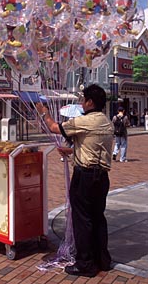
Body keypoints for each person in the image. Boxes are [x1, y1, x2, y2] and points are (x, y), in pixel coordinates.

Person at [36, 84, 114, 277]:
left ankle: (85, 264)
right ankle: (102, 259)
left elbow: (54, 127)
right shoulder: (106, 122)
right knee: (97, 218)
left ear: (90, 102)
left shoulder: (84, 121)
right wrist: (72, 151)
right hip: (102, 177)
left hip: (85, 177)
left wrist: (44, 113)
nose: (81, 103)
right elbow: (93, 148)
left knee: (82, 220)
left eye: (83, 100)